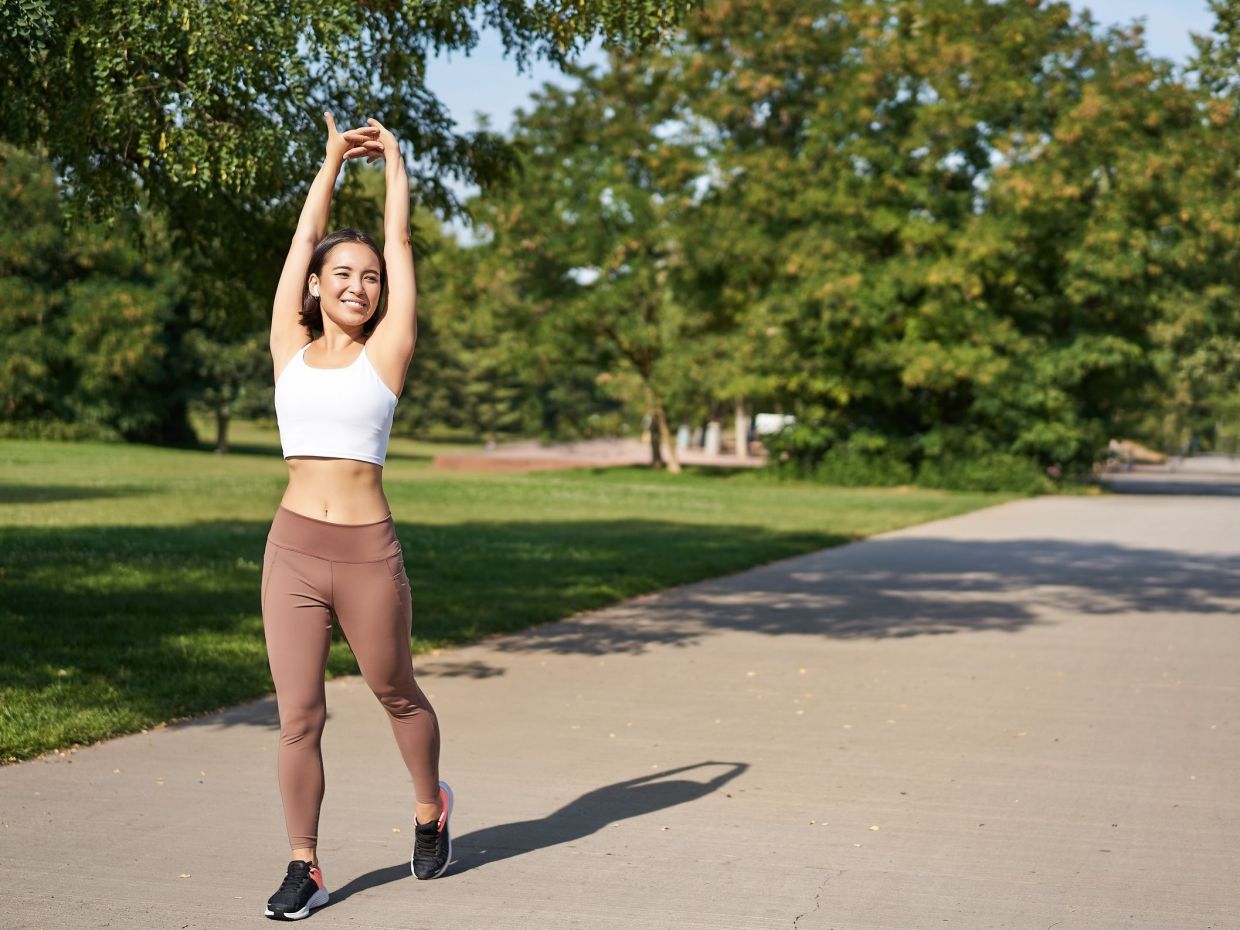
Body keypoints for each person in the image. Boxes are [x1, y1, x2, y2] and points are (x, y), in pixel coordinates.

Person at [259, 113, 452, 921]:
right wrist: (332, 162)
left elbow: (401, 244)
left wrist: (397, 163)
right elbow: (303, 236)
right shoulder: (287, 346)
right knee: (299, 715)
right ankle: (304, 864)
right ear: (315, 283)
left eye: (369, 276)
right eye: (342, 272)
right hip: (293, 549)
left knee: (395, 689)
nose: (357, 284)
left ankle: (430, 804)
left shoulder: (388, 352)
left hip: (367, 553)